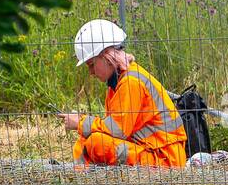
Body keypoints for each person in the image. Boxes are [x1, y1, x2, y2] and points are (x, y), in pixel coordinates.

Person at [62, 19, 187, 168]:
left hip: (165, 160)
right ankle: (80, 180)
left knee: (96, 142)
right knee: (88, 140)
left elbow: (116, 131)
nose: (91, 73)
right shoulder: (117, 83)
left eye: (91, 65)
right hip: (152, 152)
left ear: (106, 56)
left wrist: (81, 122)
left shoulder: (130, 82)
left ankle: (83, 182)